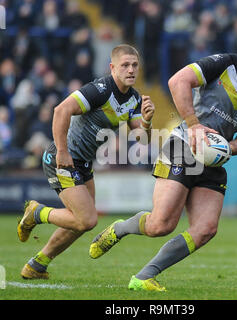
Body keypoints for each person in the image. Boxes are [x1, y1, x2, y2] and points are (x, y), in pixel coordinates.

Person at [89, 24, 237, 291]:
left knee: (206, 229)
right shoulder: (223, 64)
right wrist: (194, 125)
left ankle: (144, 277)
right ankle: (119, 229)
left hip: (214, 161)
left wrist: (225, 148)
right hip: (182, 147)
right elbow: (177, 81)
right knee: (161, 225)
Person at [17, 44, 155, 279]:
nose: (131, 69)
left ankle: (36, 265)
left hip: (83, 163)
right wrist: (62, 151)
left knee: (81, 221)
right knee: (87, 219)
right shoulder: (100, 90)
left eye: (134, 65)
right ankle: (36, 212)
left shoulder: (133, 98)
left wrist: (147, 122)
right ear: (112, 67)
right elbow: (61, 110)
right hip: (62, 159)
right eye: (125, 65)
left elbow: (140, 138)